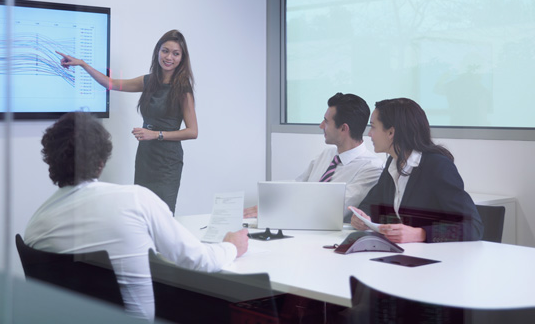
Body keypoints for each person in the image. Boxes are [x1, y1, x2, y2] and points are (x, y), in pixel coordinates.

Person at [24, 112, 248, 322]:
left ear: (50, 161)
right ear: (101, 162)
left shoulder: (35, 225)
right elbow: (197, 260)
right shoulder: (135, 199)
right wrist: (231, 247)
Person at [57, 29, 197, 214]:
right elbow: (111, 84)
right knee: (141, 213)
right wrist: (83, 64)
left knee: (162, 215)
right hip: (146, 158)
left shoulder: (183, 88)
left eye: (175, 53)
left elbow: (192, 131)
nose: (169, 57)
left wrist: (156, 134)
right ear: (157, 51)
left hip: (168, 163)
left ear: (181, 58)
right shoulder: (148, 82)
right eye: (165, 51)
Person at [350, 98, 484, 243]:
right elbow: (371, 203)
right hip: (407, 255)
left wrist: (421, 234)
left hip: (439, 259)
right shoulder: (393, 163)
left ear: (391, 132)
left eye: (373, 127)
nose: (369, 133)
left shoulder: (438, 166)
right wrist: (364, 217)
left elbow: (473, 226)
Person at [244, 93, 383, 221]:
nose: (321, 125)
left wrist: (274, 210)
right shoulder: (327, 154)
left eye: (326, 121)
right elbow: (298, 187)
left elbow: (333, 207)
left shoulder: (372, 167)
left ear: (343, 129)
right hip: (300, 224)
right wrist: (269, 203)